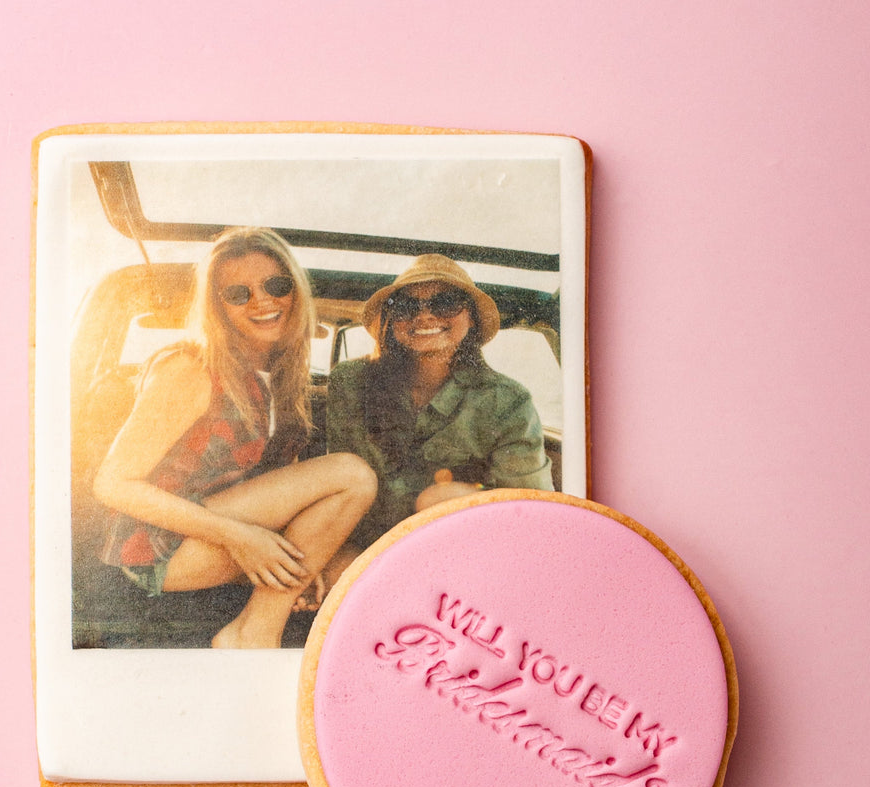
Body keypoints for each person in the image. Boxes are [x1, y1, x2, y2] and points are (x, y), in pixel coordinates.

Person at [93, 227, 377, 649]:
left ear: (296, 291)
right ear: (218, 307)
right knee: (352, 475)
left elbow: (282, 481)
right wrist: (240, 538)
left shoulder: (281, 375)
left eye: (276, 286)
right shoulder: (191, 368)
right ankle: (252, 633)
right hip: (159, 549)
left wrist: (310, 556)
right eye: (238, 294)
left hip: (218, 530)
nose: (262, 302)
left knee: (350, 569)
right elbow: (112, 484)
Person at [326, 253, 552, 571]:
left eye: (445, 303)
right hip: (367, 546)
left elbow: (530, 511)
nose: (425, 317)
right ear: (390, 321)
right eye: (405, 307)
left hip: (460, 556)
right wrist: (338, 550)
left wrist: (459, 495)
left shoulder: (507, 401)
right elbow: (339, 481)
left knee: (438, 498)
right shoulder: (351, 383)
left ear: (471, 317)